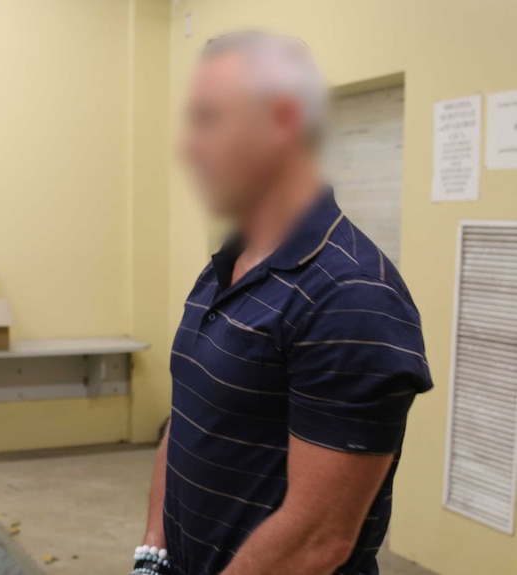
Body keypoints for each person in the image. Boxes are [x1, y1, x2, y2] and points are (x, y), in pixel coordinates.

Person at [132, 32, 433, 575]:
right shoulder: (224, 266)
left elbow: (318, 539)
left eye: (209, 120)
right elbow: (186, 421)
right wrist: (153, 553)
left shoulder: (352, 295)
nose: (188, 145)